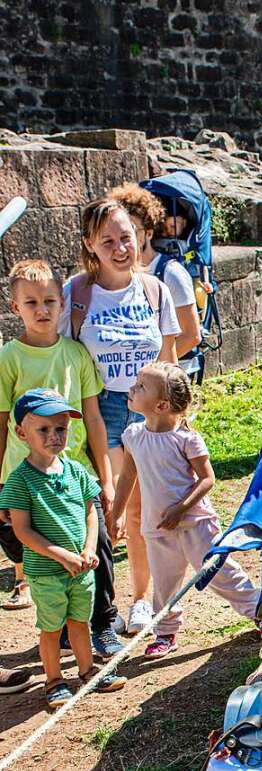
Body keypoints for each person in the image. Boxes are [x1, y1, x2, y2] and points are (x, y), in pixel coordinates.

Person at [59, 197, 180, 638]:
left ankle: (142, 600)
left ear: (140, 236)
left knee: (145, 507)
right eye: (107, 240)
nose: (119, 247)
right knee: (113, 505)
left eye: (125, 237)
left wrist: (176, 418)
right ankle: (93, 612)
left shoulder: (155, 290)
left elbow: (169, 360)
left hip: (151, 406)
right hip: (104, 405)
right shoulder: (76, 294)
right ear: (90, 244)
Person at [0, 260, 124, 661]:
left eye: (50, 300)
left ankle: (102, 623)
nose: (42, 309)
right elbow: (1, 423)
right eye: (31, 302)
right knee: (38, 553)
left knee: (97, 546)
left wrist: (105, 478)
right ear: (15, 306)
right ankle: (67, 626)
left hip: (76, 476)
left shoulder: (75, 354)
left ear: (62, 302)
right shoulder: (9, 359)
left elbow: (93, 418)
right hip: (27, 481)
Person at [111, 362, 260, 658]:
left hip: (196, 524)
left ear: (162, 404)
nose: (132, 388)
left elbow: (208, 479)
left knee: (220, 573)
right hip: (157, 527)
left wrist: (181, 509)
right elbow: (128, 476)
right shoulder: (133, 435)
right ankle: (165, 632)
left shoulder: (186, 439)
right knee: (165, 585)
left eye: (141, 386)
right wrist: (116, 514)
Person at [0, 390, 127, 710]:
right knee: (52, 628)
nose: (54, 436)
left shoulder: (77, 471)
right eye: (44, 429)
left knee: (79, 623)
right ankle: (54, 680)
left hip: (81, 569)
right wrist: (62, 556)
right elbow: (22, 531)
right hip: (47, 573)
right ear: (21, 433)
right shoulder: (19, 481)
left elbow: (89, 513)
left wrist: (86, 549)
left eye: (61, 428)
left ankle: (88, 673)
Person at [108, 183, 204, 379]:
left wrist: (150, 368)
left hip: (169, 375)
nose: (124, 242)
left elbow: (192, 335)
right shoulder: (116, 276)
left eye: (132, 231)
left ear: (149, 233)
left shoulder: (171, 274)